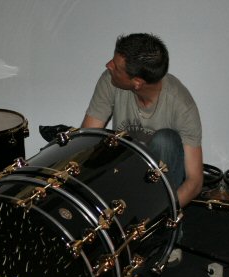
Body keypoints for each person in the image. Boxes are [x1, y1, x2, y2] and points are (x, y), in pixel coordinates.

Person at [81, 33, 204, 209]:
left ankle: (159, 217)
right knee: (103, 147)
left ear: (137, 82)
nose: (108, 65)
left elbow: (195, 182)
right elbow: (87, 141)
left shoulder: (182, 106)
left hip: (159, 190)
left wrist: (164, 214)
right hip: (122, 174)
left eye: (116, 67)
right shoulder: (109, 80)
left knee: (166, 140)